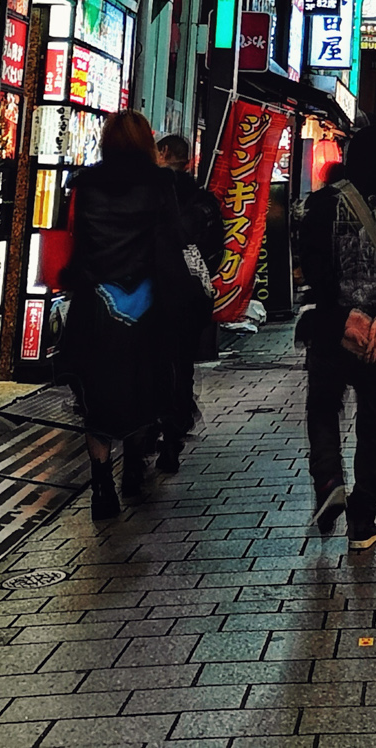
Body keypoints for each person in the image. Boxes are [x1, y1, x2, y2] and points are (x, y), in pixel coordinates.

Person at [295, 124, 376, 551]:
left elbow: (311, 270)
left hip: (336, 328)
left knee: (322, 405)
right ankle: (363, 519)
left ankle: (329, 480)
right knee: (374, 421)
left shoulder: (320, 204)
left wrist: (342, 316)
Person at [61, 110, 188, 519]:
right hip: (145, 303)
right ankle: (133, 468)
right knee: (141, 387)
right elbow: (171, 242)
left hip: (95, 302)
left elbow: (77, 242)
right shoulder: (161, 183)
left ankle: (101, 487)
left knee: (95, 398)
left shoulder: (84, 184)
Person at [155, 134, 225, 472]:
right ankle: (173, 434)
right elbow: (217, 251)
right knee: (182, 364)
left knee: (152, 364)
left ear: (165, 153)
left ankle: (150, 433)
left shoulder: (152, 196)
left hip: (154, 295)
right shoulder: (205, 201)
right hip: (193, 299)